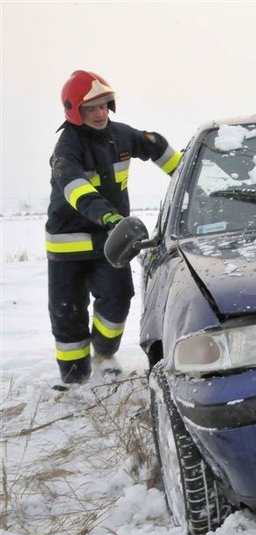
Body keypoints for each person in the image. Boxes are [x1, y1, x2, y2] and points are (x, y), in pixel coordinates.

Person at [47, 70, 182, 384]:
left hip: (112, 239)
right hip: (69, 244)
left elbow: (154, 144)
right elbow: (78, 191)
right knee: (68, 312)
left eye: (103, 105)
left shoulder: (121, 135)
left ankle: (104, 354)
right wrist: (110, 217)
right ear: (74, 111)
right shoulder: (66, 150)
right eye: (91, 108)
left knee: (118, 298)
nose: (100, 113)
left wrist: (183, 173)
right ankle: (74, 379)